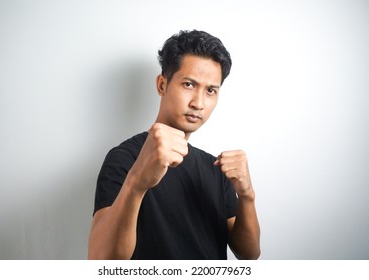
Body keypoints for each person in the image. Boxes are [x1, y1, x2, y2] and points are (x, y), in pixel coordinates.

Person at [88, 30, 260, 260]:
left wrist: (247, 196)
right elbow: (101, 261)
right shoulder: (124, 158)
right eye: (189, 84)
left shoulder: (215, 167)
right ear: (162, 85)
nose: (198, 103)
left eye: (211, 90)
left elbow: (249, 254)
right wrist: (136, 183)